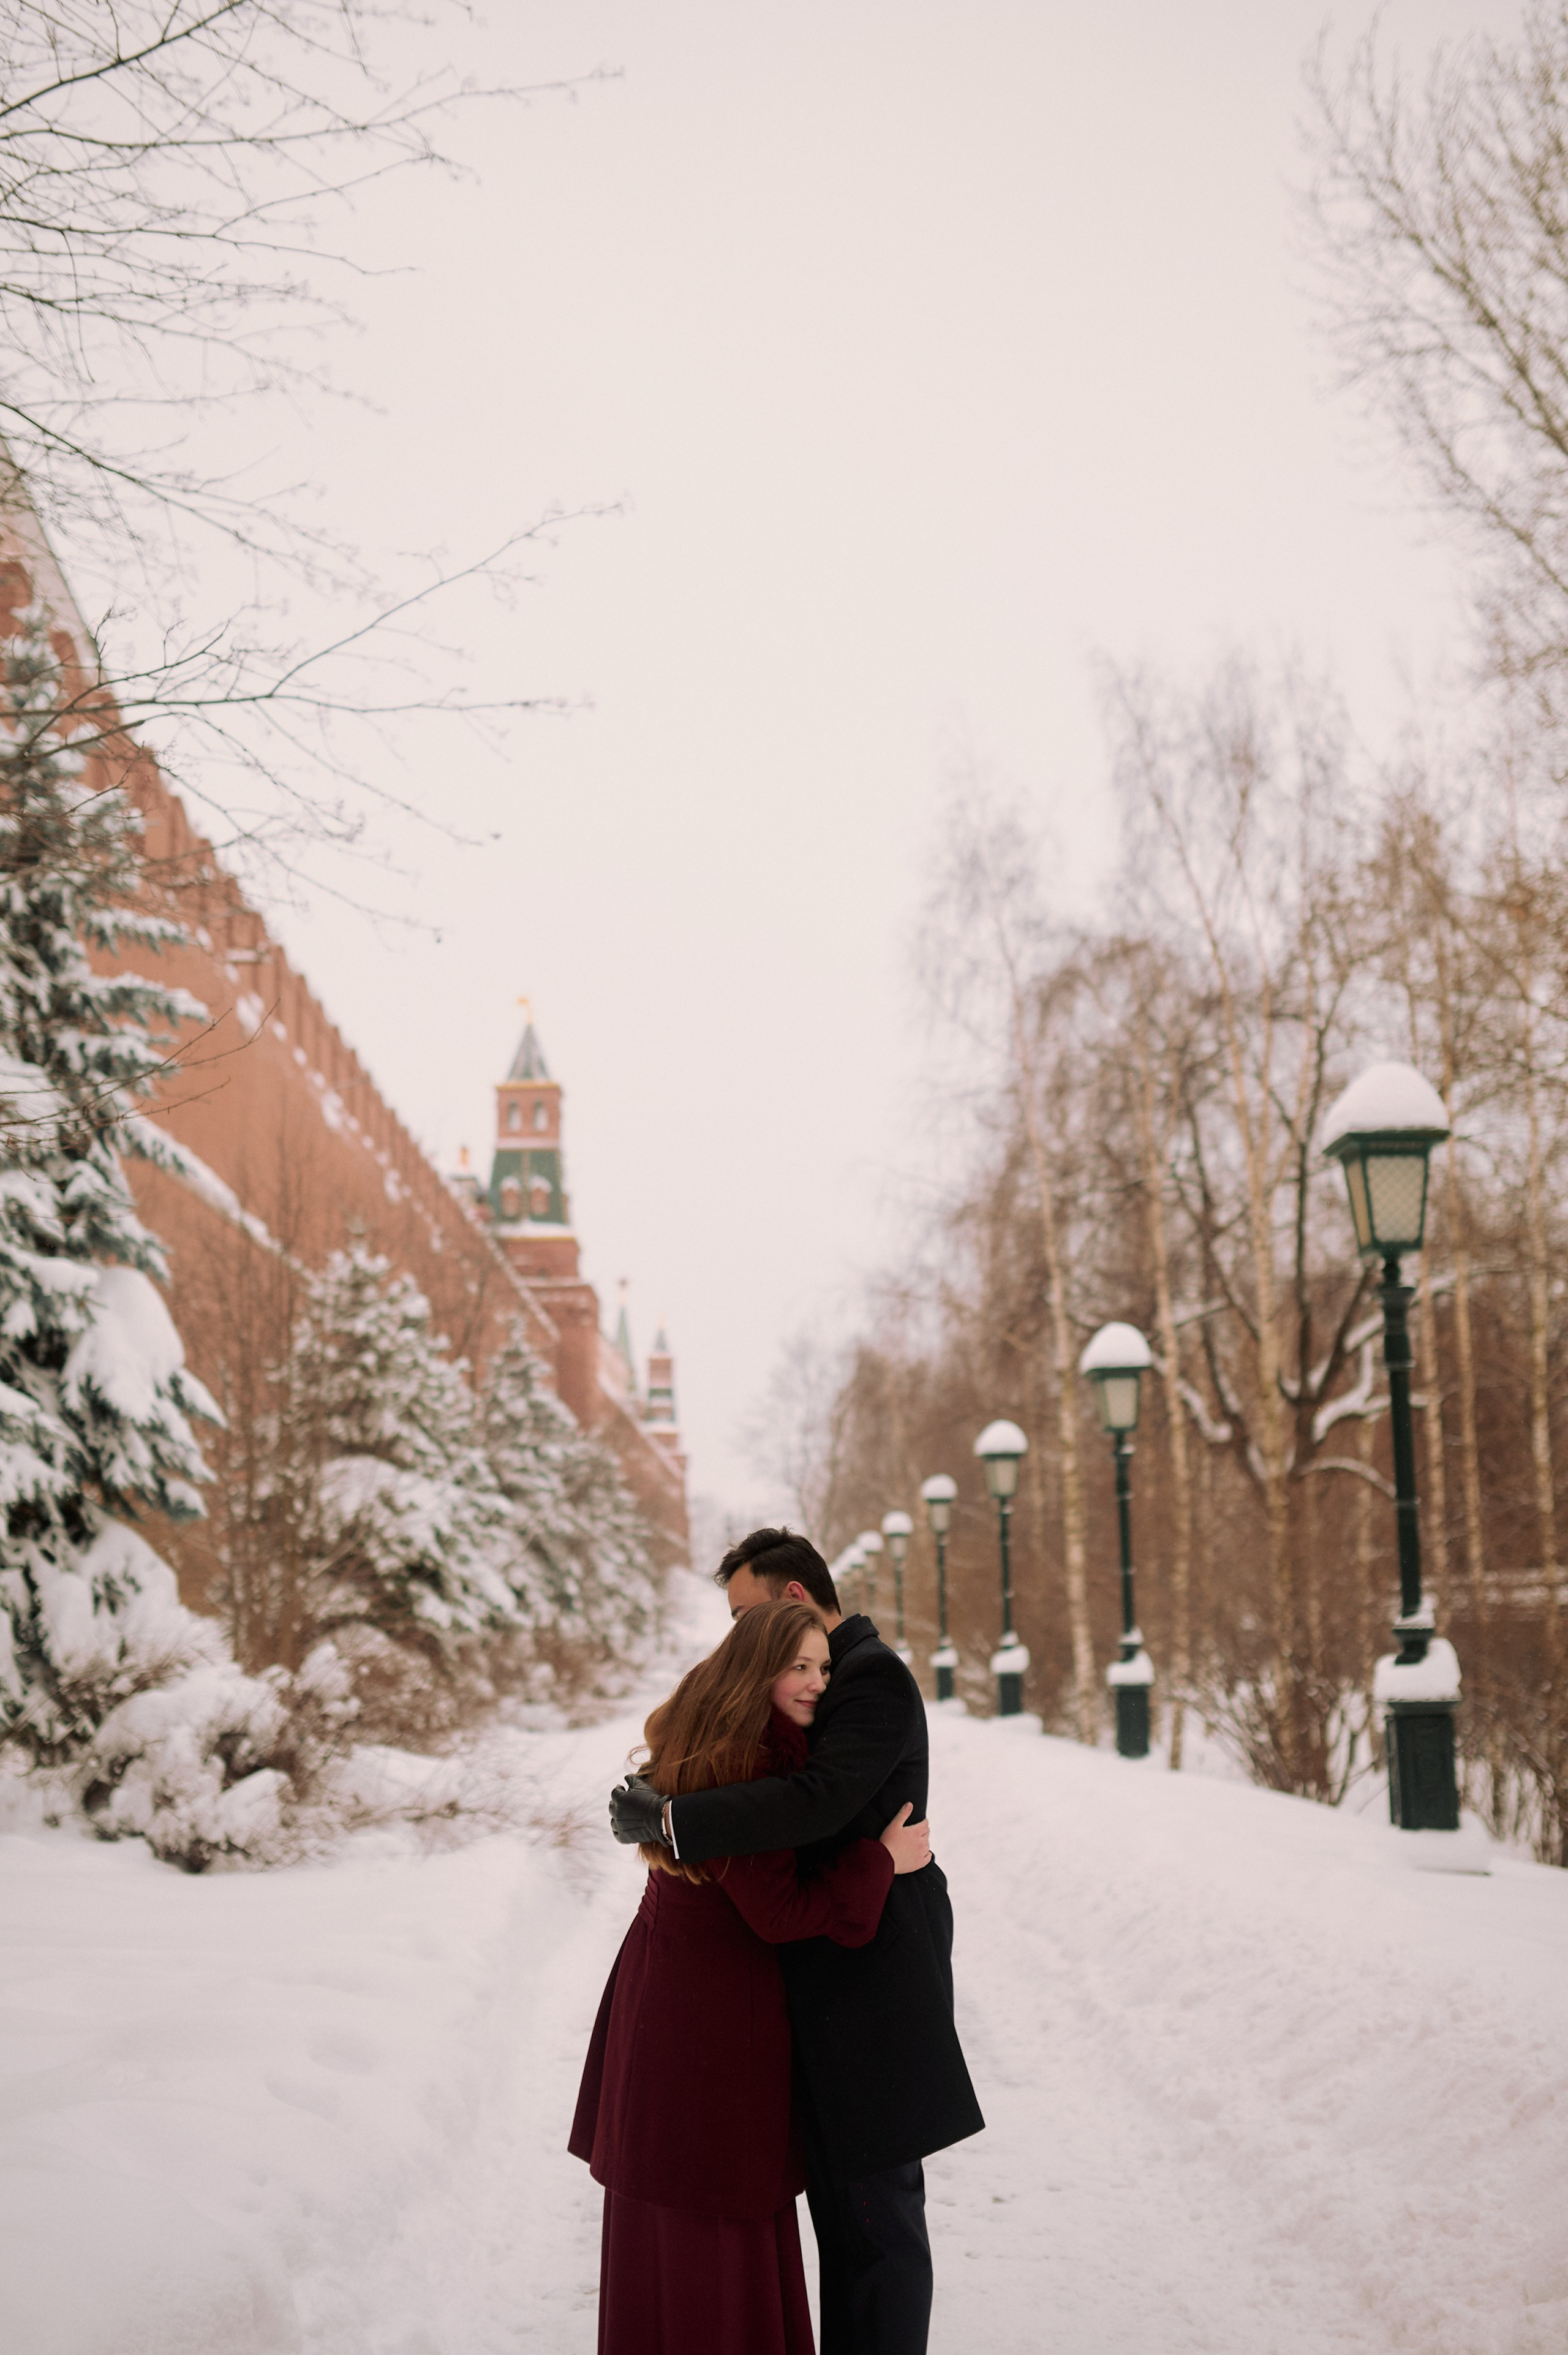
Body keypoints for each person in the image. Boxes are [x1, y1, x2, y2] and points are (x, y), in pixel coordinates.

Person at [610, 1529, 984, 2355]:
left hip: (873, 1972)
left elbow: (813, 1801)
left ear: (788, 1599)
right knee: (847, 2217)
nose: (734, 1631)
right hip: (823, 1965)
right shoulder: (800, 1682)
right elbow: (738, 1761)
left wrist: (679, 1819)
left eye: (743, 1611)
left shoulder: (870, 1677)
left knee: (880, 2220)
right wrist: (667, 1780)